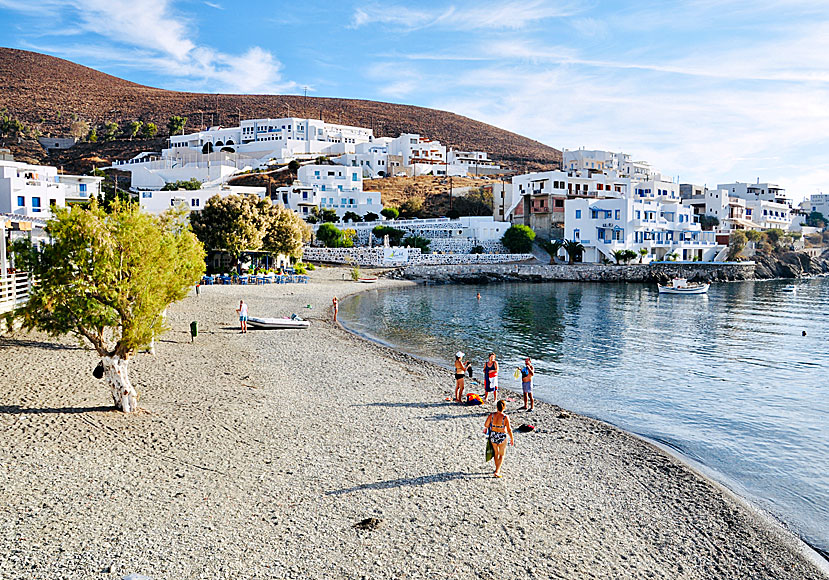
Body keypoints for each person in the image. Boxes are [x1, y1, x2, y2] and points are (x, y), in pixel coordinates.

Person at [483, 400, 514, 477]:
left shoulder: (492, 415)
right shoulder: (505, 417)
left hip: (493, 435)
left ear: (496, 407)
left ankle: (497, 468)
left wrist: (488, 427)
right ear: (504, 408)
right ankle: (497, 470)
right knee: (502, 454)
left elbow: (486, 424)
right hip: (502, 436)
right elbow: (509, 429)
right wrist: (512, 438)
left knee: (496, 453)